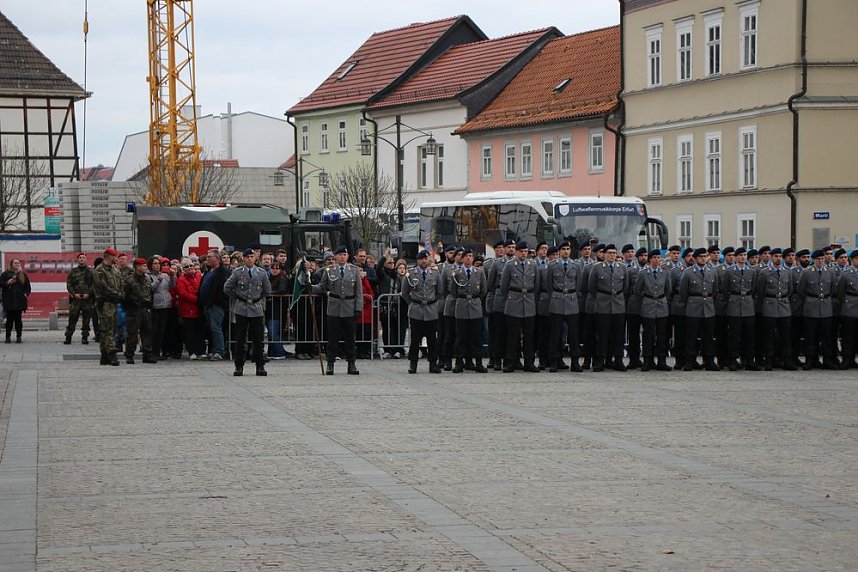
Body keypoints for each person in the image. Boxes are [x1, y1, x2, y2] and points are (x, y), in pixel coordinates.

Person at [312, 245, 362, 375]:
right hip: (334, 307)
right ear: (336, 257)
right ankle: (330, 363)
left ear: (347, 256)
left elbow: (359, 292)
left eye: (344, 255)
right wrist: (310, 287)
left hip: (349, 306)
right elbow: (322, 286)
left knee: (350, 338)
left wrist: (358, 308)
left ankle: (351, 363)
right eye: (339, 255)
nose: (342, 257)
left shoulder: (354, 270)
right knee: (332, 338)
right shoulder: (329, 270)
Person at [224, 248, 272, 376]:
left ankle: (260, 365)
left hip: (256, 308)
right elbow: (227, 288)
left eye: (252, 256)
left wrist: (258, 299)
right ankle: (239, 366)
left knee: (258, 339)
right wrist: (237, 298)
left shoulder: (261, 273)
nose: (250, 259)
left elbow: (267, 289)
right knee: (240, 339)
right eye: (247, 257)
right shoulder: (237, 272)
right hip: (241, 308)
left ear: (256, 258)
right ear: (243, 259)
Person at [500, 241, 540, 373]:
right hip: (514, 302)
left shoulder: (533, 265)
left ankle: (529, 362)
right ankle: (511, 361)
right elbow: (503, 286)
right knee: (513, 336)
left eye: (526, 251)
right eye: (521, 251)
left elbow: (536, 285)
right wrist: (512, 297)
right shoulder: (510, 265)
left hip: (528, 302)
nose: (524, 254)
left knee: (529, 336)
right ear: (516, 252)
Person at [589, 244, 629, 372]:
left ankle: (618, 361)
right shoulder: (597, 268)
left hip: (618, 305)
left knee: (618, 336)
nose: (612, 255)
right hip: (603, 305)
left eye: (614, 253)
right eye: (610, 253)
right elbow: (591, 287)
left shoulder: (622, 268)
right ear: (605, 255)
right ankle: (600, 361)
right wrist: (602, 297)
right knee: (602, 335)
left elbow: (625, 287)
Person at [402, 250, 443, 374]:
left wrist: (432, 302)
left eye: (425, 259)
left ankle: (433, 363)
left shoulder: (435, 273)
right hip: (416, 310)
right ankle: (413, 363)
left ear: (429, 260)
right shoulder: (410, 274)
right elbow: (404, 292)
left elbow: (440, 291)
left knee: (432, 339)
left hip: (431, 310)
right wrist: (412, 303)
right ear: (417, 260)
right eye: (421, 259)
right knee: (415, 340)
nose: (423, 261)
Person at [545, 241, 583, 372]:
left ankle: (575, 362)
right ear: (559, 252)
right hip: (557, 300)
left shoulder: (576, 266)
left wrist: (571, 294)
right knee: (555, 333)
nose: (566, 251)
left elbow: (579, 285)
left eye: (568, 249)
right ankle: (554, 361)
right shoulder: (552, 265)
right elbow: (549, 285)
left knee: (573, 334)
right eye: (563, 249)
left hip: (571, 301)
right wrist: (556, 294)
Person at [680, 248, 719, 371]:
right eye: (701, 256)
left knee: (708, 336)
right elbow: (683, 292)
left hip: (708, 306)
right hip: (693, 306)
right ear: (695, 258)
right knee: (691, 336)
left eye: (705, 256)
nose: (703, 258)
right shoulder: (688, 272)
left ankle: (709, 361)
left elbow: (714, 290)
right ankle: (690, 361)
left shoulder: (712, 272)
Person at [450, 248, 487, 373]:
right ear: (462, 258)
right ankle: (459, 362)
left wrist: (475, 299)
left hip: (475, 306)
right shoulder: (457, 272)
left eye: (471, 256)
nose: (469, 258)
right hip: (462, 305)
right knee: (461, 337)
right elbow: (453, 291)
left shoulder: (479, 272)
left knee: (476, 337)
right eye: (466, 256)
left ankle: (478, 362)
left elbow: (483, 290)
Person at [798, 249, 837, 370]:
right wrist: (811, 299)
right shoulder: (807, 272)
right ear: (813, 260)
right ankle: (810, 360)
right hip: (811, 306)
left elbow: (833, 288)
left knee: (826, 336)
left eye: (822, 259)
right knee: (811, 336)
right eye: (818, 259)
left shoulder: (830, 272)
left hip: (825, 307)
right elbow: (801, 290)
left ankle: (827, 360)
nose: (820, 261)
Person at [723, 247, 761, 371]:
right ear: (735, 257)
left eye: (744, 255)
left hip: (748, 306)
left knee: (749, 335)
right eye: (740, 255)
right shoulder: (729, 271)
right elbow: (725, 289)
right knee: (734, 335)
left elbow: (754, 288)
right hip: (734, 304)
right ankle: (732, 360)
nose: (743, 257)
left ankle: (749, 360)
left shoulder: (752, 271)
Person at [636, 249, 672, 371]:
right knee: (648, 335)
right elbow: (637, 290)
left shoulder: (665, 272)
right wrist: (648, 298)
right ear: (650, 259)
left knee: (662, 335)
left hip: (661, 305)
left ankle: (662, 360)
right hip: (648, 304)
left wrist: (660, 298)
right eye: (654, 258)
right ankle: (648, 360)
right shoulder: (643, 273)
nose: (657, 260)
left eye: (658, 257)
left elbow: (668, 289)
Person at [92, 248, 123, 365]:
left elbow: (120, 285)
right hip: (104, 303)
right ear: (109, 256)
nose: (117, 259)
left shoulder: (115, 271)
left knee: (110, 329)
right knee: (108, 329)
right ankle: (112, 354)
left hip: (114, 303)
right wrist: (116, 294)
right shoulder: (99, 271)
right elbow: (102, 287)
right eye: (115, 257)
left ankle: (104, 355)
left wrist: (120, 295)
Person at [199, 250, 231, 360]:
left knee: (216, 328)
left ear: (217, 258)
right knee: (211, 329)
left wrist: (216, 301)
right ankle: (214, 350)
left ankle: (219, 351)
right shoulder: (208, 272)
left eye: (209, 257)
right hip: (207, 305)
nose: (207, 259)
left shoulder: (223, 272)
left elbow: (224, 290)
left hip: (216, 305)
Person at [123, 257, 156, 364]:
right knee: (132, 334)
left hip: (145, 309)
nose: (146, 268)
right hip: (134, 310)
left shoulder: (147, 279)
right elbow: (124, 296)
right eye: (144, 266)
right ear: (137, 267)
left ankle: (147, 354)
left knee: (147, 333)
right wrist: (131, 303)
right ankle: (129, 355)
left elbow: (150, 292)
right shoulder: (129, 280)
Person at [176, 259, 204, 360]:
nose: (189, 268)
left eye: (191, 266)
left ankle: (201, 351)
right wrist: (198, 299)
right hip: (188, 310)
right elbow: (183, 294)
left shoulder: (198, 276)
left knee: (200, 331)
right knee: (190, 332)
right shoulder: (181, 280)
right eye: (186, 266)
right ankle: (192, 351)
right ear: (183, 269)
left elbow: (202, 289)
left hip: (199, 309)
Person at [64, 252, 94, 345]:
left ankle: (85, 337)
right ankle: (68, 337)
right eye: (80, 257)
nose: (82, 259)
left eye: (83, 257)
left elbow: (94, 284)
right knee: (72, 318)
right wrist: (73, 294)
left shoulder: (91, 271)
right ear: (78, 259)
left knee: (86, 319)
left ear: (86, 259)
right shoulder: (73, 271)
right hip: (76, 300)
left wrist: (89, 294)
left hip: (87, 299)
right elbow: (69, 284)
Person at [835, 250, 858, 369]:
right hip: (849, 306)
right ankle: (846, 359)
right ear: (852, 260)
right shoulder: (846, 274)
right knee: (847, 335)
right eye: (857, 259)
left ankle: (854, 359)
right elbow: (840, 293)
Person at [148, 257, 174, 360]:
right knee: (154, 330)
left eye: (159, 263)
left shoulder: (165, 276)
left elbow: (171, 286)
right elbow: (150, 288)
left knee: (162, 330)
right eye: (155, 264)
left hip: (165, 305)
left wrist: (172, 276)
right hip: (155, 306)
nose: (158, 265)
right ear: (151, 265)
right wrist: (158, 280)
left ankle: (159, 352)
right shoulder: (148, 276)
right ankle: (153, 352)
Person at [1, 259, 31, 343]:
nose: (17, 264)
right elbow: (1, 283)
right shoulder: (6, 274)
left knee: (18, 320)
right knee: (9, 321)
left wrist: (25, 294)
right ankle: (8, 337)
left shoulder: (22, 274)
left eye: (18, 263)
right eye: (15, 263)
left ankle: (19, 337)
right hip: (9, 301)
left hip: (19, 301)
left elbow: (27, 286)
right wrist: (7, 283)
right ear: (11, 264)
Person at [265, 261, 289, 359]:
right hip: (270, 309)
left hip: (277, 309)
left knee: (273, 331)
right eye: (273, 268)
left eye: (277, 268)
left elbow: (282, 290)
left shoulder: (282, 278)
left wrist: (269, 293)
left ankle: (279, 352)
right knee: (273, 331)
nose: (275, 270)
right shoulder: (268, 278)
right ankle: (274, 351)